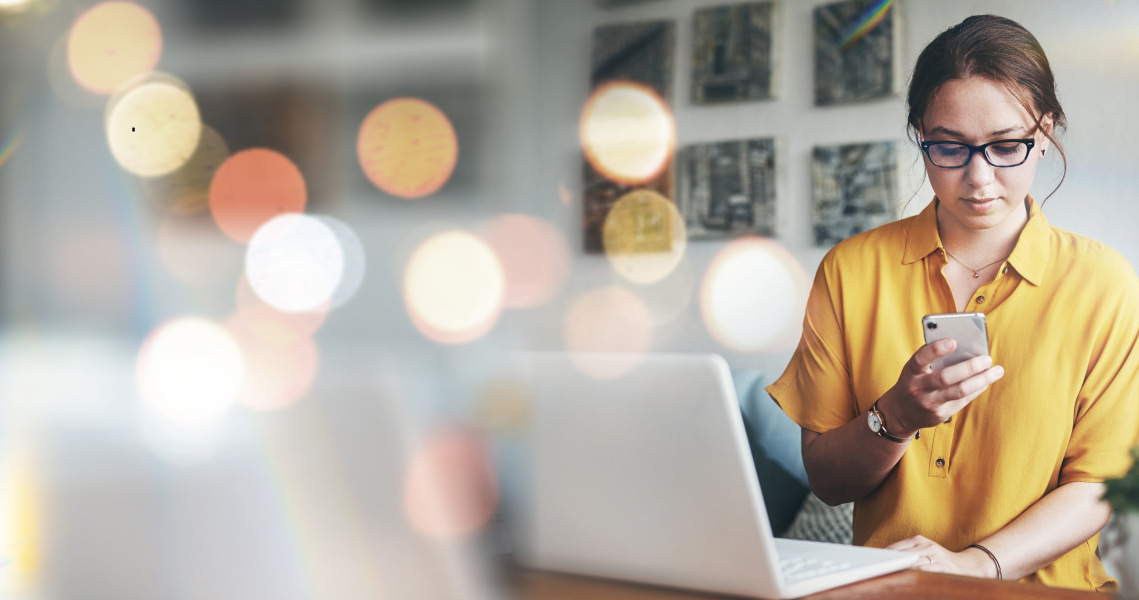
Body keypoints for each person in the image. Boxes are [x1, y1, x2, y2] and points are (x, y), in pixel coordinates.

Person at [766, 14, 1139, 591]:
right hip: (891, 588)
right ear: (920, 134)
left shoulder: (1106, 285)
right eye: (949, 147)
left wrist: (976, 564)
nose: (978, 177)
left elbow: (1098, 486)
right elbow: (828, 482)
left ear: (1045, 132)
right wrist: (895, 418)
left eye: (1006, 146)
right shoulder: (850, 270)